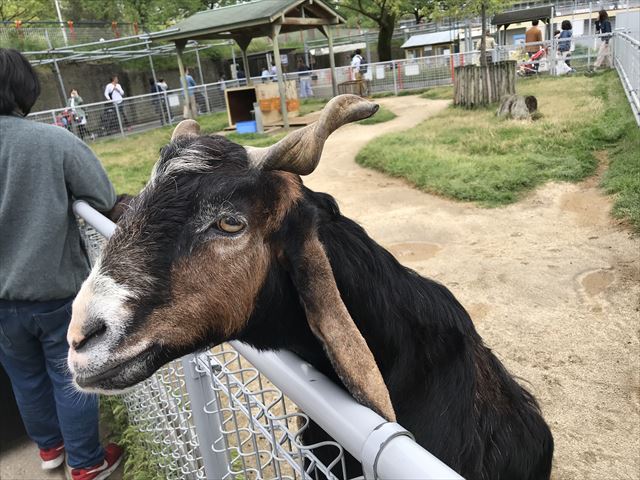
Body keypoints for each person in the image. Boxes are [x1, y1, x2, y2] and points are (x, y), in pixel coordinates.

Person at [0, 48, 123, 480]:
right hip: (54, 291)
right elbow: (104, 198)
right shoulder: (52, 141)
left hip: (1, 301)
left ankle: (49, 449)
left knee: (25, 378)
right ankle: (87, 463)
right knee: (70, 375)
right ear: (24, 89)